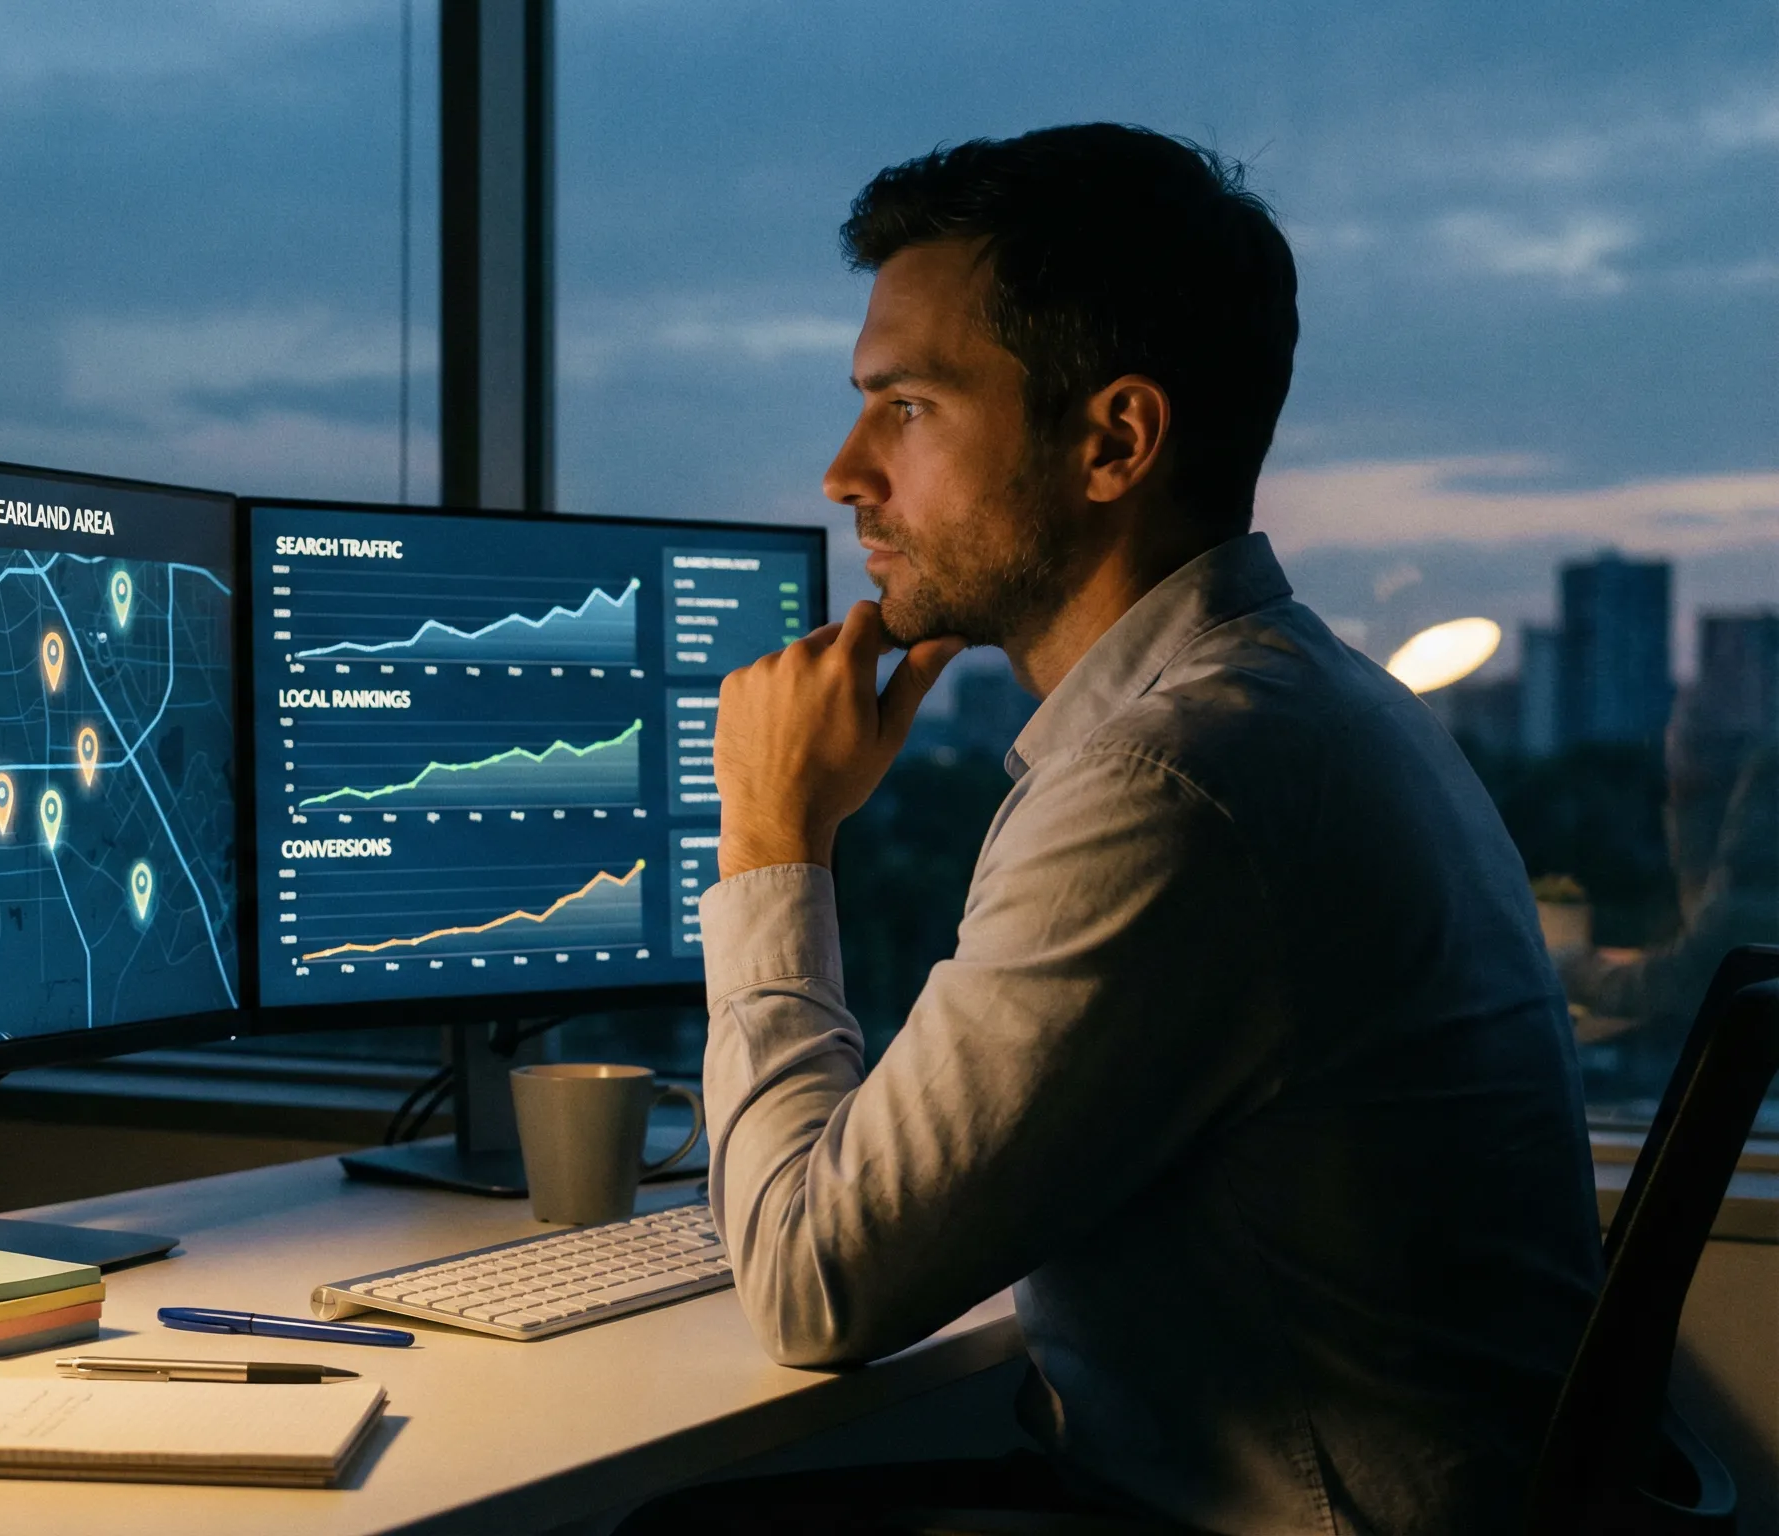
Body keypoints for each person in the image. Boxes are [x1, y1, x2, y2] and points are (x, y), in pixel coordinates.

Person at [630, 125, 1602, 1534]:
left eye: (905, 408)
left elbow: (808, 1286)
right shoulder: (1304, 703)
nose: (845, 472)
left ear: (1114, 442)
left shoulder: (1172, 783)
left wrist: (777, 833)